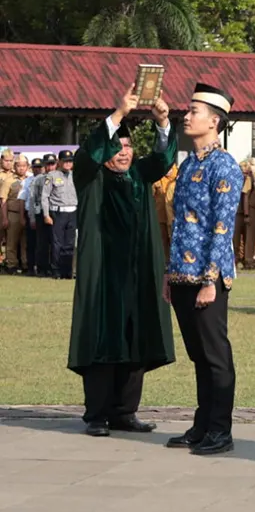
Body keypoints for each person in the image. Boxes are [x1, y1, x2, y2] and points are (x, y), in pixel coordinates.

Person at [70, 85, 177, 437]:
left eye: (129, 145)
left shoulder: (137, 176)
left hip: (137, 271)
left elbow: (163, 160)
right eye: (117, 146)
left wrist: (162, 122)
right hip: (103, 273)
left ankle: (125, 411)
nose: (123, 153)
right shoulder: (90, 176)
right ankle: (97, 415)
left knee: (136, 335)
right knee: (103, 339)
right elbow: (91, 152)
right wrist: (118, 115)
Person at [164, 83, 242, 456]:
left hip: (207, 277)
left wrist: (211, 279)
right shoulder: (190, 163)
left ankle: (220, 430)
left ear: (214, 121)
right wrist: (169, 272)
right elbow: (181, 223)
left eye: (194, 111)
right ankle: (202, 424)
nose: (187, 115)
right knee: (198, 355)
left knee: (215, 355)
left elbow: (222, 227)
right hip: (182, 272)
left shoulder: (223, 165)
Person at [42, 149, 78, 279]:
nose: (68, 164)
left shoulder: (75, 175)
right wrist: (46, 214)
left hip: (72, 212)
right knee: (57, 244)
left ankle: (67, 271)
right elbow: (44, 196)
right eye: (65, 161)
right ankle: (56, 270)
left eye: (70, 161)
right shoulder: (52, 175)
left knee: (69, 244)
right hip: (58, 212)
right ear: (59, 161)